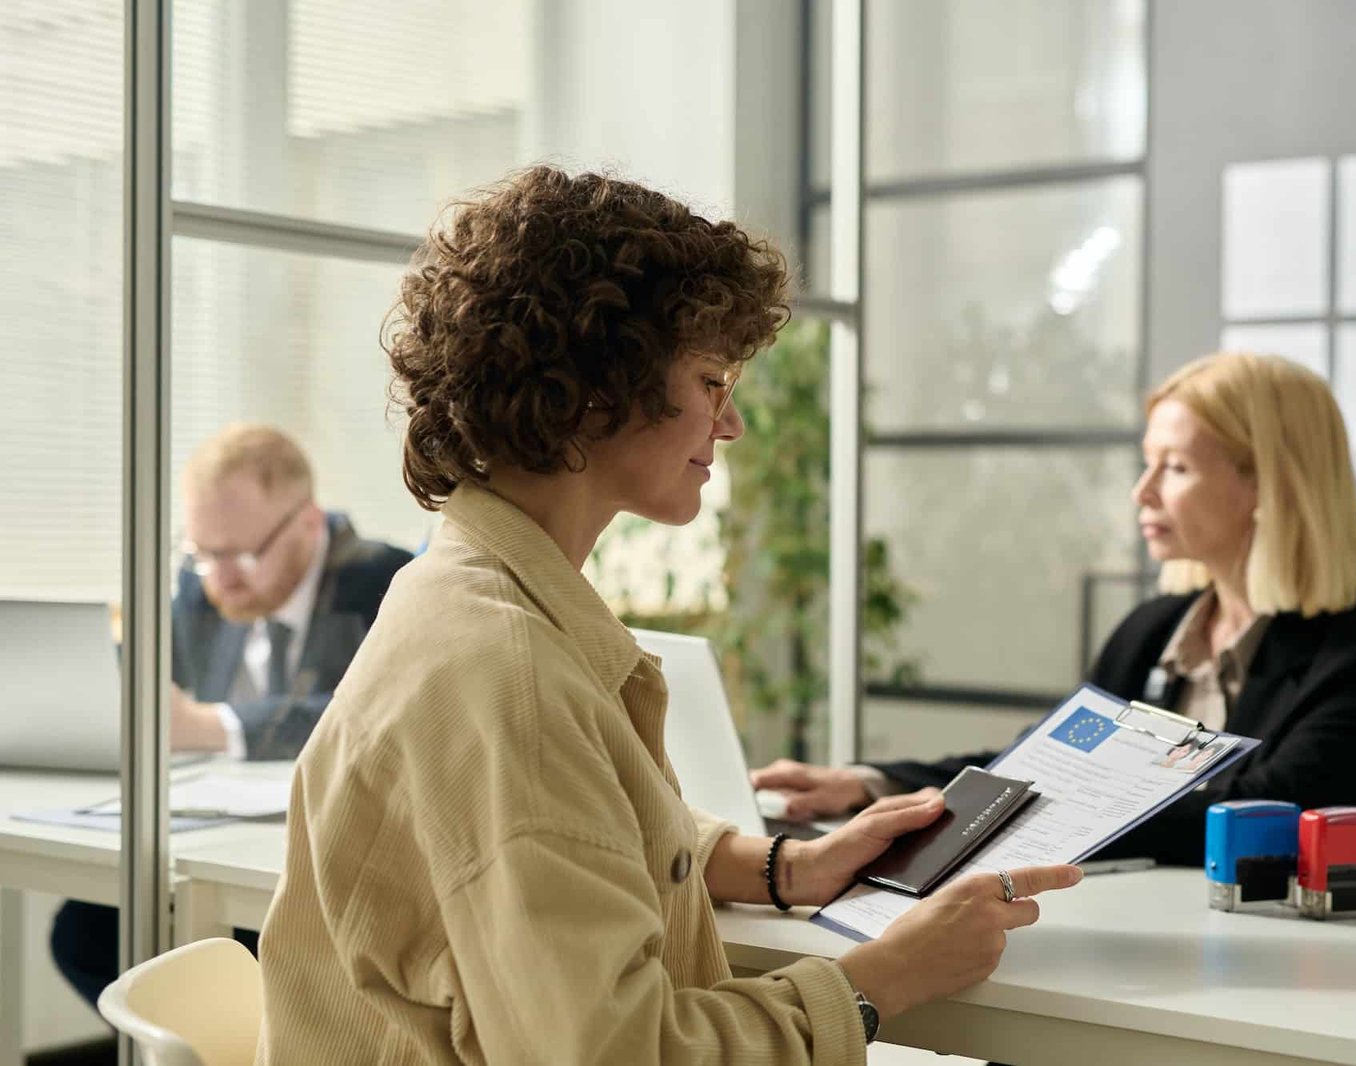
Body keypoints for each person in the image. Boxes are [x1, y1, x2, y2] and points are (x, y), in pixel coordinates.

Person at [253, 166, 1082, 1064]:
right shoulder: (510, 675)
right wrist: (886, 978)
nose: (730, 427)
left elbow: (561, 831)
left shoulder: (463, 592)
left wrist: (783, 867)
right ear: (597, 388)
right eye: (712, 380)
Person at [752, 353, 1356, 867]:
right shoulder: (1155, 632)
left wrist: (1024, 806)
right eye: (1148, 464)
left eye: (1175, 468)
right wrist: (874, 784)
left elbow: (1256, 812)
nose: (1142, 493)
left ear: (1268, 483)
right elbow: (1051, 761)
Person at [51, 424, 413, 1012]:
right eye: (202, 553)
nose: (221, 577)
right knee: (85, 934)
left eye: (241, 553)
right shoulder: (205, 586)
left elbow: (372, 711)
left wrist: (213, 726)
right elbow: (132, 674)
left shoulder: (385, 583)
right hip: (220, 839)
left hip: (320, 866)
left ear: (307, 523)